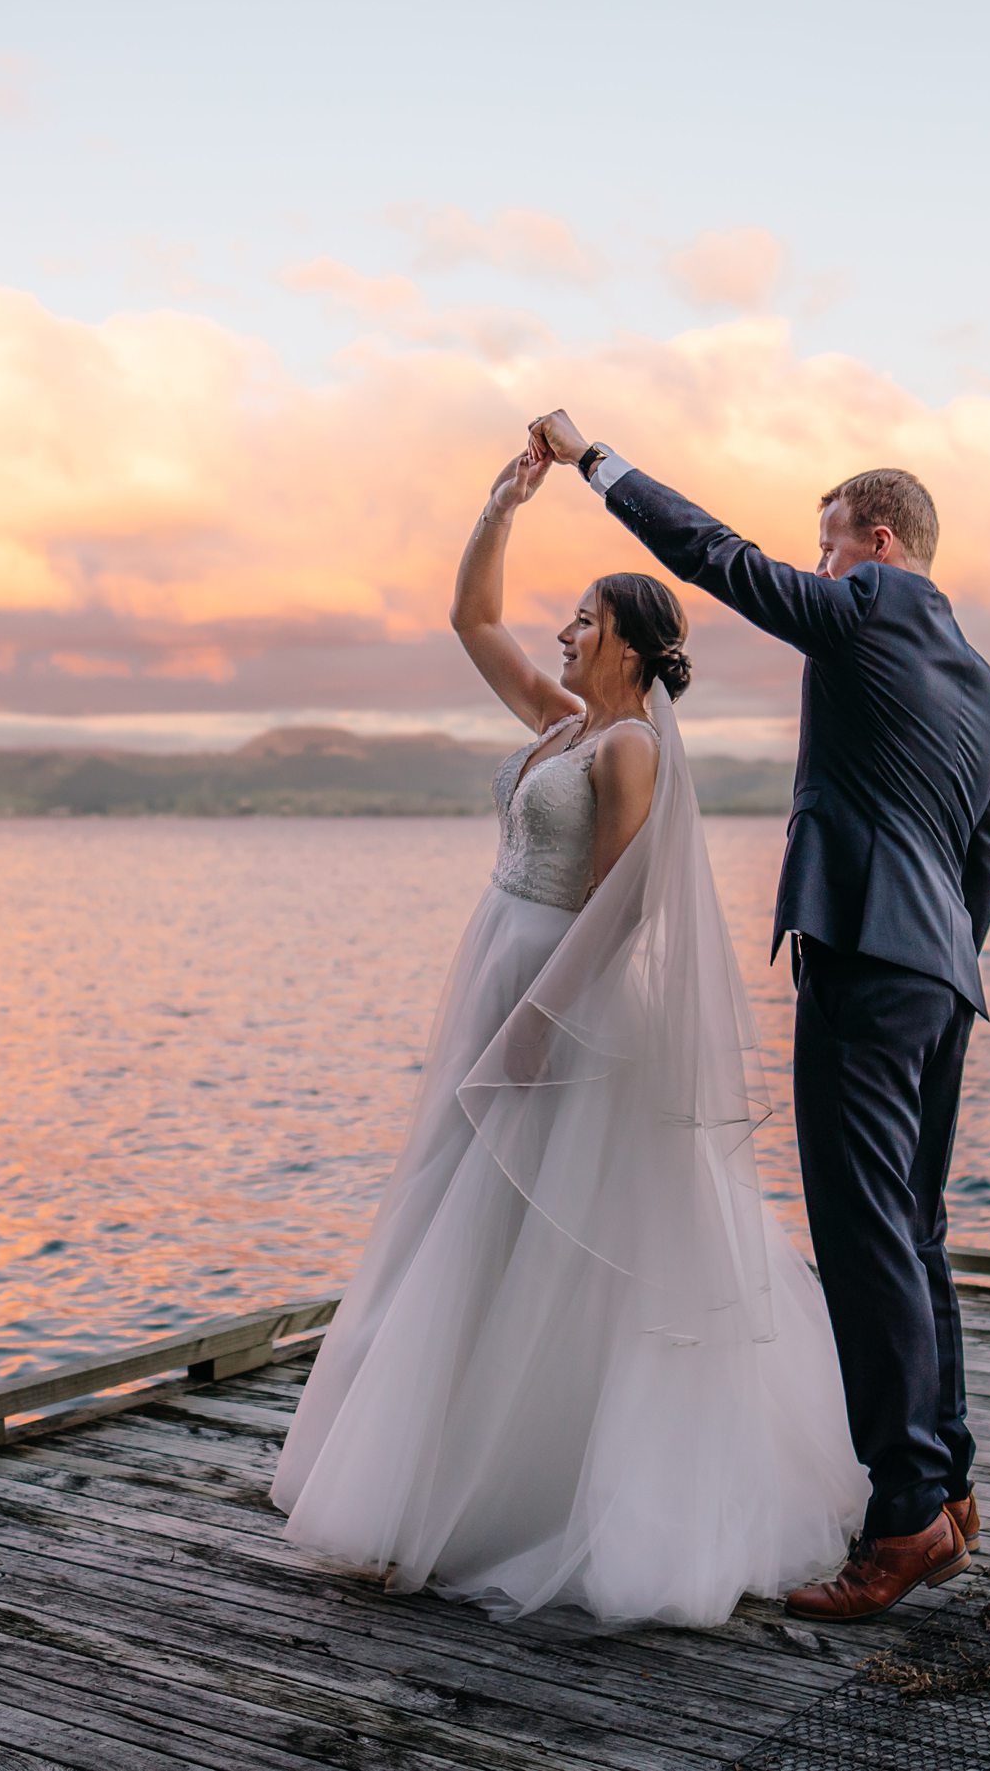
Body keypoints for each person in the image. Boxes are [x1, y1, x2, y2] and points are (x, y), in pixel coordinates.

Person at [270, 445, 866, 1626]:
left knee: (541, 1236)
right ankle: (436, 1478)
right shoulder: (560, 724)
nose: (561, 635)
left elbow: (622, 907)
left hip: (567, 1009)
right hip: (497, 978)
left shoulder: (630, 748)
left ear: (631, 644)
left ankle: (509, 1493)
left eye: (583, 620)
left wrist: (543, 1026)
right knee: (461, 1218)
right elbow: (470, 617)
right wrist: (499, 506)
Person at [527, 409, 990, 1623]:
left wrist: (599, 464)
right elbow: (986, 861)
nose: (821, 567)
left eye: (832, 544)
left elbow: (718, 559)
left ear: (882, 543)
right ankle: (946, 1488)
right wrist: (940, 958)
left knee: (862, 1239)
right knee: (916, 1230)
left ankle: (902, 1518)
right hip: (942, 974)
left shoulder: (871, 607)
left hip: (866, 959)